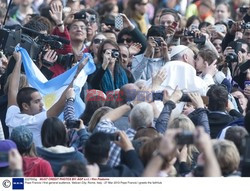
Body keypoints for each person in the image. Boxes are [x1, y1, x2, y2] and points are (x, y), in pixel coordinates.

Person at [5, 51, 87, 147]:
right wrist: (77, 75)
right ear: (25, 106)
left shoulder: (12, 116)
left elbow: (13, 89)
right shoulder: (35, 122)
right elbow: (61, 103)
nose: (42, 104)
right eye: (37, 101)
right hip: (36, 161)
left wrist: (19, 61)